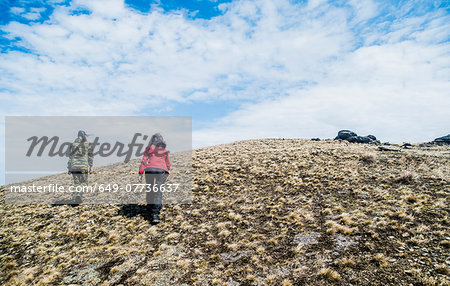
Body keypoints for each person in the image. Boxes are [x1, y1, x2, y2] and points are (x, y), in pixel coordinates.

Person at [138, 133, 171, 224]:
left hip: (150, 170)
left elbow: (144, 161)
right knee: (158, 191)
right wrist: (167, 170)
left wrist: (140, 173)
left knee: (150, 188)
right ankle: (155, 213)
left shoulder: (148, 148)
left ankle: (149, 208)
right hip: (161, 171)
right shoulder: (164, 149)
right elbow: (168, 163)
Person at [67, 130, 93, 206]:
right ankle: (79, 194)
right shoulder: (88, 144)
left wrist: (69, 167)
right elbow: (90, 156)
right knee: (84, 182)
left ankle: (76, 198)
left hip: (74, 166)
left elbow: (70, 157)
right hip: (83, 167)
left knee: (76, 183)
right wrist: (91, 166)